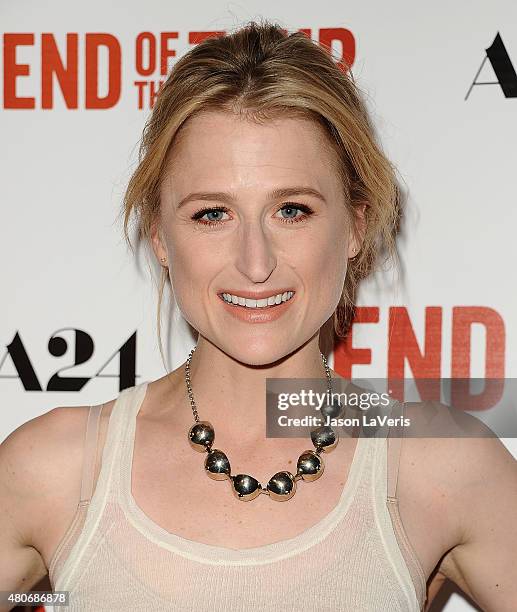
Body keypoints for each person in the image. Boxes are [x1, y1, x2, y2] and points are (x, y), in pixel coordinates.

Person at [1, 19, 516, 612]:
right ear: (160, 236)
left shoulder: (439, 463)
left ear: (353, 226)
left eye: (291, 210)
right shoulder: (57, 472)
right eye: (212, 214)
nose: (255, 263)